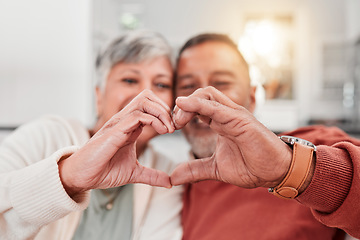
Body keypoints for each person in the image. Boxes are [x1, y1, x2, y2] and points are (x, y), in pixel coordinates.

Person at [170, 33, 360, 239]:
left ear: (251, 99)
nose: (201, 99)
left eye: (221, 83)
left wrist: (289, 168)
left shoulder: (318, 145)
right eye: (188, 86)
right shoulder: (173, 192)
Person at [0, 30, 183, 240]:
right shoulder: (45, 136)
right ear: (99, 97)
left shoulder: (165, 171)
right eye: (130, 80)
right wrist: (66, 177)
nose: (146, 95)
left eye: (161, 85)